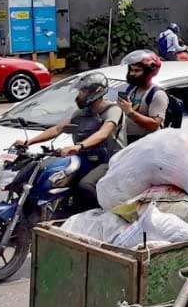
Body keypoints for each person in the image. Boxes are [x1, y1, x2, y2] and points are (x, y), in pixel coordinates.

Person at [16, 73, 121, 207]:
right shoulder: (81, 113)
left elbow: (103, 133)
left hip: (110, 160)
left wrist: (78, 146)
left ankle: (103, 214)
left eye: (82, 91)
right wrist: (28, 142)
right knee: (52, 177)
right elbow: (57, 129)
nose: (79, 96)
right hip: (86, 158)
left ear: (97, 91)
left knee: (85, 185)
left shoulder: (112, 110)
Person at [115, 50, 169, 144]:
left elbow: (154, 124)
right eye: (131, 70)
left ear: (149, 72)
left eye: (137, 70)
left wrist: (130, 112)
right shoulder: (132, 89)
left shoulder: (157, 94)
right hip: (129, 141)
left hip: (147, 144)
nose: (132, 74)